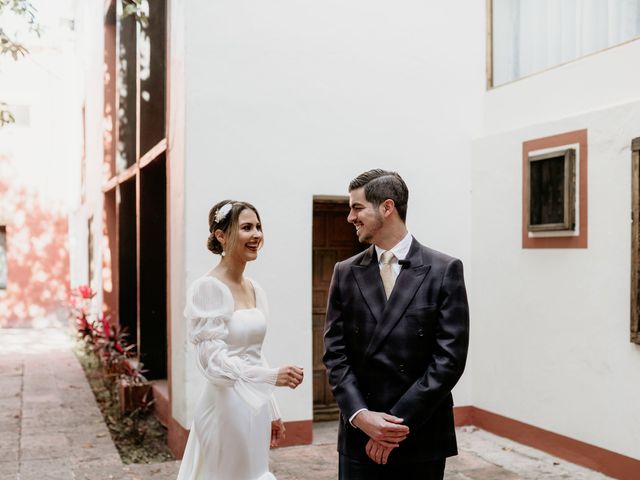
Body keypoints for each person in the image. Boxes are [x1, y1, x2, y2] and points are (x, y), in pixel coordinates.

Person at [323, 169, 470, 479]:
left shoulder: (444, 270)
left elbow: (449, 360)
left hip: (420, 433)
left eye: (357, 207)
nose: (350, 217)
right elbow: (335, 355)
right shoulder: (345, 272)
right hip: (359, 434)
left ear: (387, 207)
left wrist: (392, 427)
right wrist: (363, 418)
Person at [177, 200, 304, 480]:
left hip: (254, 404)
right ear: (221, 235)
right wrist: (272, 377)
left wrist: (271, 408)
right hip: (225, 408)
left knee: (256, 472)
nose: (256, 234)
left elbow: (254, 353)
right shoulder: (208, 289)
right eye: (246, 227)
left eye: (258, 226)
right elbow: (213, 364)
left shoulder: (255, 289)